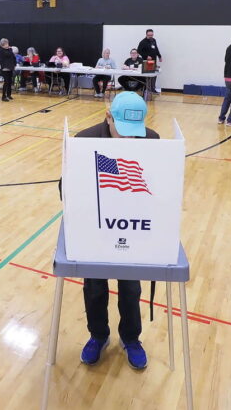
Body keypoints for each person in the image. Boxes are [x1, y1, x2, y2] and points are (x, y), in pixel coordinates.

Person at [74, 91, 159, 370]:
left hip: (133, 227)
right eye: (124, 132)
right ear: (108, 117)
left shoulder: (152, 140)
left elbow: (159, 186)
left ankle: (131, 338)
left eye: (136, 133)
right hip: (96, 226)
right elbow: (67, 188)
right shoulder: (85, 141)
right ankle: (98, 335)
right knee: (95, 287)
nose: (131, 140)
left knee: (131, 287)